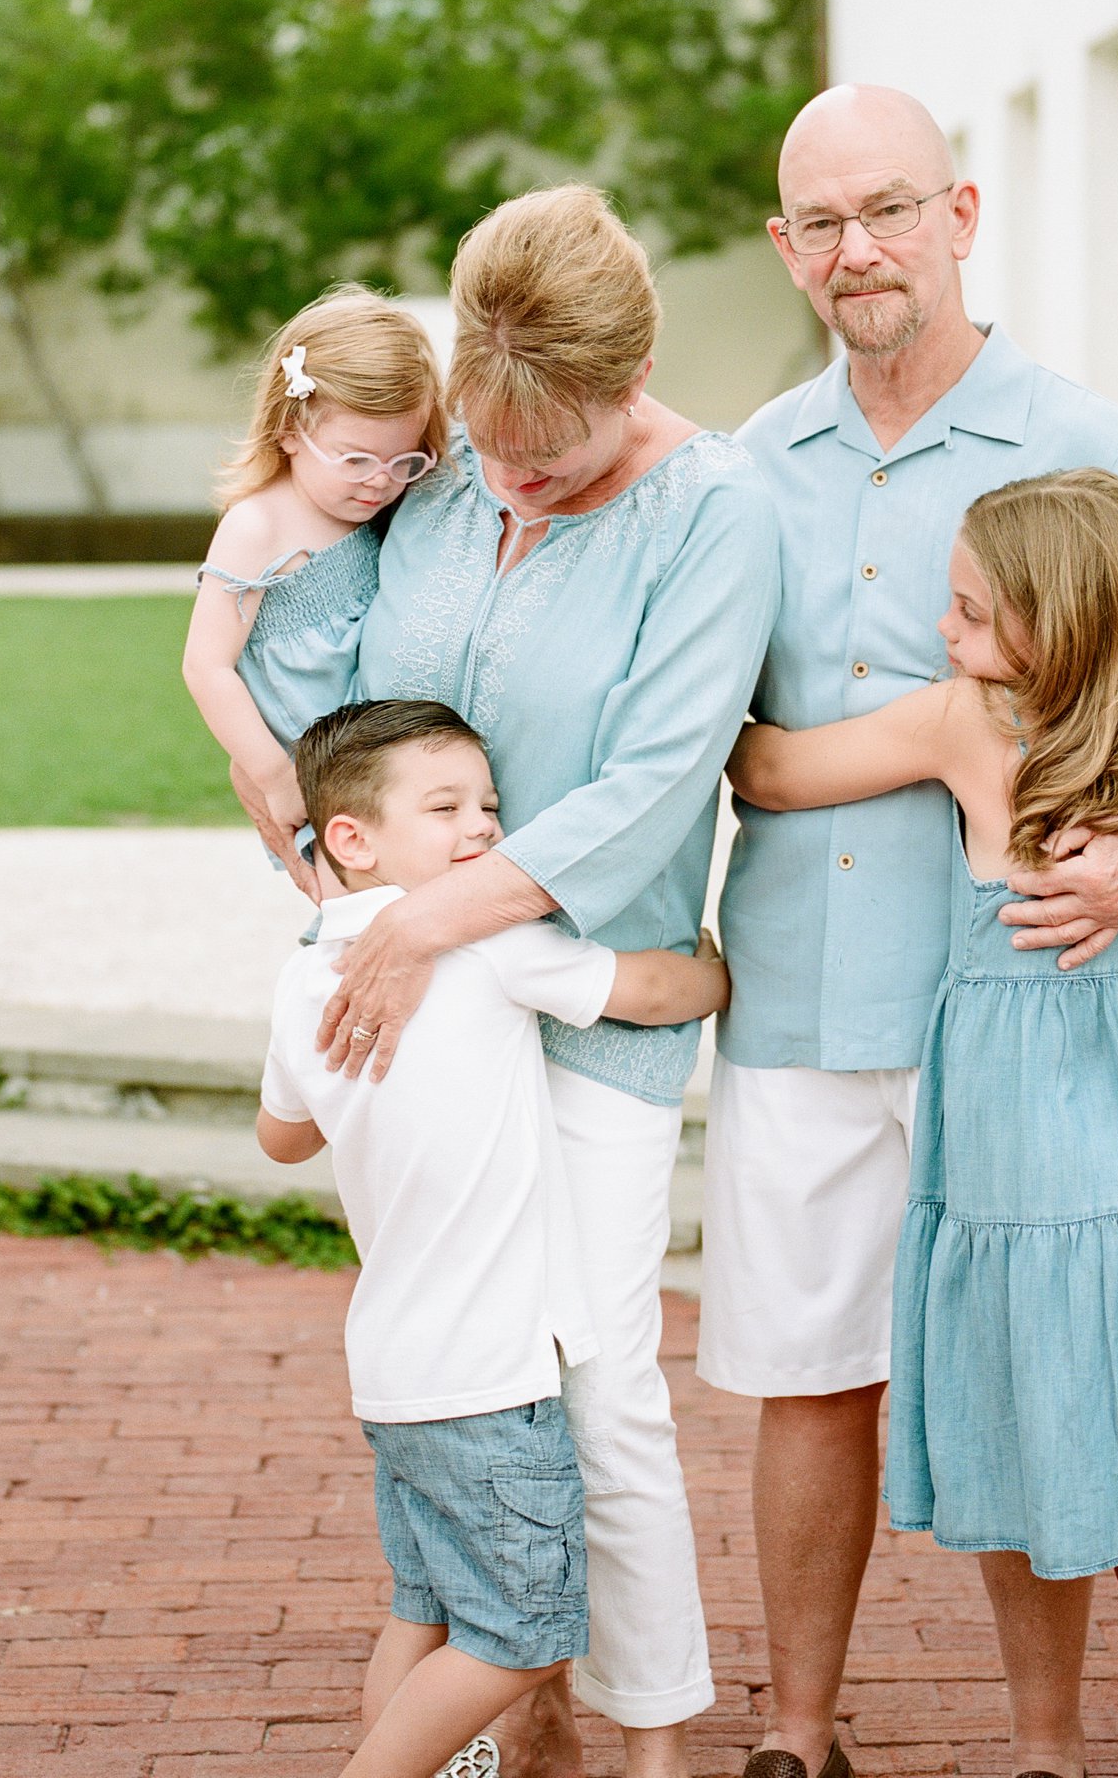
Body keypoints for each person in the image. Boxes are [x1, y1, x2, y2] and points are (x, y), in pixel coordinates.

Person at [702, 85, 1118, 1778]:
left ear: (961, 215)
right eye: (820, 220)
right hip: (809, 998)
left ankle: (1042, 1744)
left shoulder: (1085, 441)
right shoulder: (754, 465)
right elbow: (720, 723)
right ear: (784, 245)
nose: (855, 247)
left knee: (1035, 1378)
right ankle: (798, 1734)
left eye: (887, 207)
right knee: (807, 1379)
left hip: (1029, 1003)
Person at [727, 470, 1118, 1778]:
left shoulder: (979, 725)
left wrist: (699, 669)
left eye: (969, 613)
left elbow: (781, 771)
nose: (945, 634)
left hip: (1061, 1196)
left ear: (1054, 625)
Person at [247, 186, 780, 1778]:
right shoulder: (448, 464)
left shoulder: (714, 509)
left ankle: (652, 1741)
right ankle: (511, 1713)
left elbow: (658, 778)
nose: (508, 473)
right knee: (467, 1382)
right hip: (418, 1023)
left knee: (599, 1383)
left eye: (544, 447)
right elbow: (325, 676)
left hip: (582, 1002)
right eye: (483, 438)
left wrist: (438, 920)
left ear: (628, 382)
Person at [256, 699, 731, 1778]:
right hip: (487, 1373)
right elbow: (641, 990)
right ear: (352, 837)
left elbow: (281, 1135)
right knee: (522, 1631)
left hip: (390, 1366)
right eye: (447, 807)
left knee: (424, 1609)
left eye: (490, 803)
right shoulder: (491, 946)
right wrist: (714, 971)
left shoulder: (301, 978)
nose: (483, 826)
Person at [184, 285, 444, 860]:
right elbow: (206, 666)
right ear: (289, 430)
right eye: (356, 459)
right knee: (351, 913)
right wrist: (274, 777)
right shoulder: (257, 527)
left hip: (386, 762)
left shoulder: (381, 511)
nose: (380, 480)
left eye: (404, 460)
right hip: (310, 777)